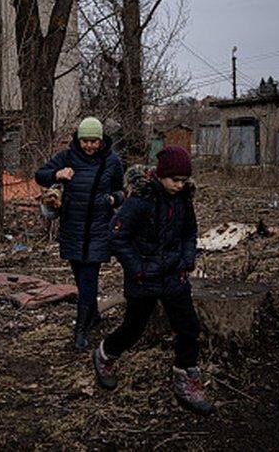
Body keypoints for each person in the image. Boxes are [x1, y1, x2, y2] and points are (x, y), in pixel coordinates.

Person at [92, 145, 215, 415]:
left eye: (185, 180)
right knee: (133, 329)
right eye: (176, 180)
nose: (181, 185)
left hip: (174, 275)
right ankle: (105, 354)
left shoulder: (184, 199)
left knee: (188, 327)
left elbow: (189, 232)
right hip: (143, 278)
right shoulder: (140, 199)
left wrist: (187, 260)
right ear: (161, 175)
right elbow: (117, 237)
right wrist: (137, 269)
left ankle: (185, 380)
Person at [35, 117, 125, 350]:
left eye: (94, 141)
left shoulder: (112, 161)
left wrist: (115, 199)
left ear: (101, 140)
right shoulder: (67, 157)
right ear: (78, 139)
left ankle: (81, 331)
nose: (90, 146)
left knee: (88, 280)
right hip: (72, 227)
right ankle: (93, 315)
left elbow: (122, 190)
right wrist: (57, 174)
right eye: (85, 141)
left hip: (98, 228)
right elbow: (40, 175)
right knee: (79, 274)